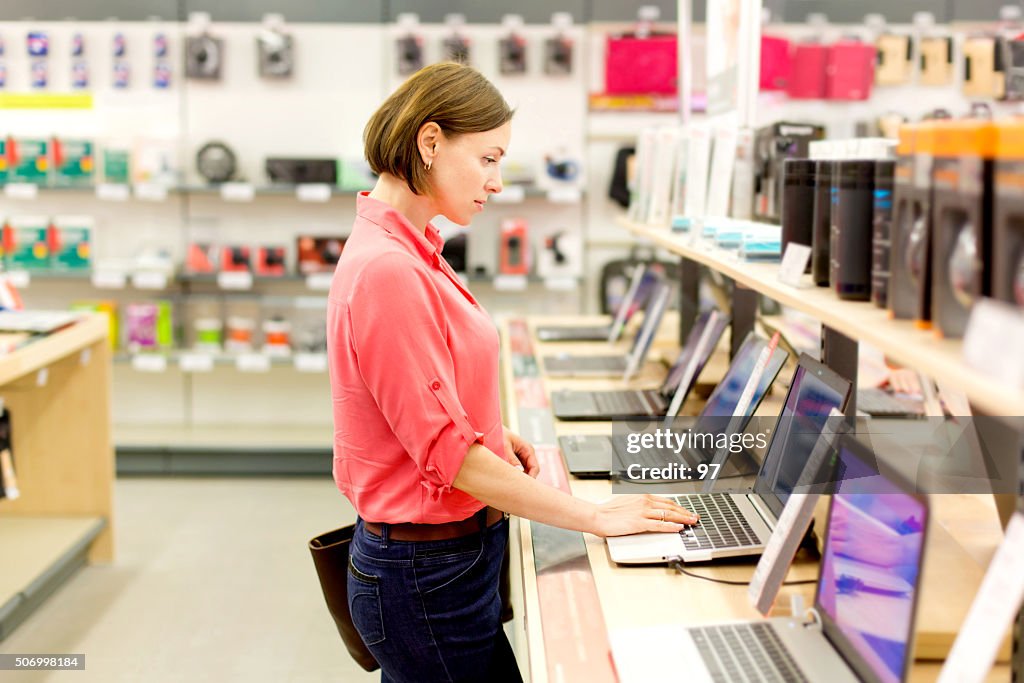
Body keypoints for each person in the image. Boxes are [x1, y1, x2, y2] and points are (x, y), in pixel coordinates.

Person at [326, 62, 698, 683]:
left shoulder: (411, 247)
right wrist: (597, 517)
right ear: (430, 142)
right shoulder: (389, 270)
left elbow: (426, 408)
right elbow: (448, 456)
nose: (496, 182)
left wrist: (491, 435)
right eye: (489, 159)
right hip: (425, 576)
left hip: (439, 564)